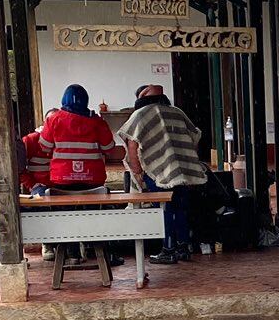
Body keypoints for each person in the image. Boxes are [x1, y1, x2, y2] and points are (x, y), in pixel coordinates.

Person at [118, 84, 210, 264]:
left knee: (164, 209)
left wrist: (138, 173)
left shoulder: (140, 114)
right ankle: (184, 248)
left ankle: (168, 250)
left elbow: (132, 143)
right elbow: (194, 136)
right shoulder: (177, 112)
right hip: (181, 170)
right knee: (181, 209)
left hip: (157, 171)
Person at [39, 84, 119, 191]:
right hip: (93, 178)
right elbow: (108, 148)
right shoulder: (98, 122)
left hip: (62, 178)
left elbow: (44, 147)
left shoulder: (53, 119)